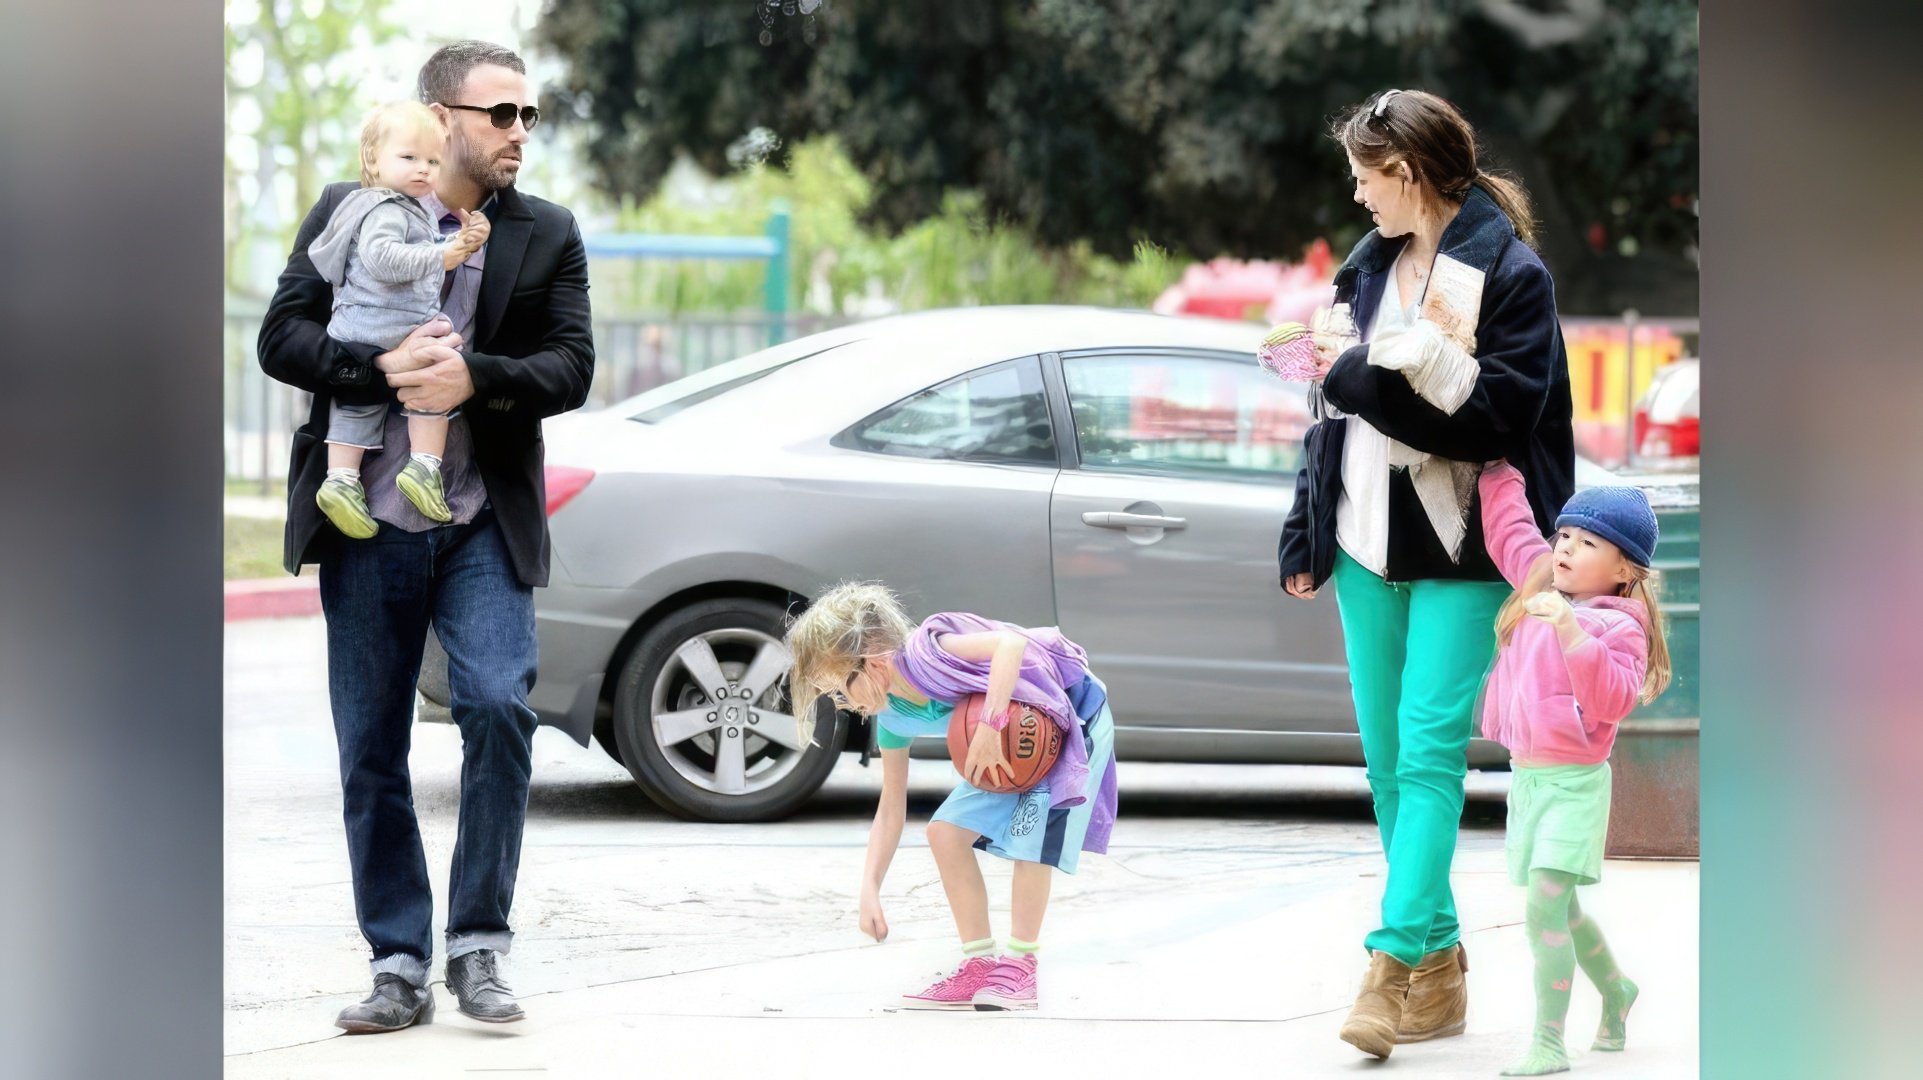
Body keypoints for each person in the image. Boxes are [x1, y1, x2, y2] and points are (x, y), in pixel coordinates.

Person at [256, 40, 594, 1033]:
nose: (519, 133)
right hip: (369, 523)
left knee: (497, 704)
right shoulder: (347, 208)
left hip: (481, 518)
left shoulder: (546, 233)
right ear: (442, 118)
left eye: (527, 115)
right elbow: (283, 336)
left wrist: (472, 378)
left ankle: (478, 946)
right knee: (371, 748)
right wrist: (388, 371)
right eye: (500, 114)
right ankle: (397, 959)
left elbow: (570, 365)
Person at [1275, 87, 1576, 1059]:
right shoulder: (1365, 274)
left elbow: (1492, 418)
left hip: (1467, 545)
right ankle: (1442, 967)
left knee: (1430, 753)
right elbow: (1326, 415)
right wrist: (1304, 529)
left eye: (1366, 178)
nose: (1358, 197)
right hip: (1366, 543)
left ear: (1405, 174)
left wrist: (1354, 373)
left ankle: (1391, 961)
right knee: (1389, 767)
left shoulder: (1513, 277)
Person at [784, 582, 1119, 1012]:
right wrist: (869, 886)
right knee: (945, 832)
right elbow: (891, 805)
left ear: (869, 662)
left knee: (1030, 838)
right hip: (1015, 735)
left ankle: (1020, 965)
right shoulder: (892, 719)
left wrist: (991, 725)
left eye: (838, 688)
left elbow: (1010, 644)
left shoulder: (931, 652)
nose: (842, 702)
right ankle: (979, 963)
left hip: (1068, 712)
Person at [1477, 462, 1668, 1076]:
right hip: (1529, 779)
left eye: (1587, 544)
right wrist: (1494, 467)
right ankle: (1616, 991)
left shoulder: (1619, 625)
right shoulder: (1542, 585)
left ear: (1622, 570)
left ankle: (1549, 1042)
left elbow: (1613, 700)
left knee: (1543, 912)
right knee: (1562, 909)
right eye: (1565, 536)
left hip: (1576, 785)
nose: (1566, 549)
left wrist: (1571, 634)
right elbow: (1510, 530)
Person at [307, 101, 491, 537]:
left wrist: (461, 241)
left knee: (357, 402)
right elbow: (384, 258)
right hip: (390, 323)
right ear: (373, 158)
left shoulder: (391, 207)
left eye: (433, 161)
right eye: (408, 158)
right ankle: (425, 467)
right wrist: (444, 253)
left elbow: (416, 250)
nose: (423, 169)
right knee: (442, 353)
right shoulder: (387, 207)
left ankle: (341, 481)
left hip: (359, 330)